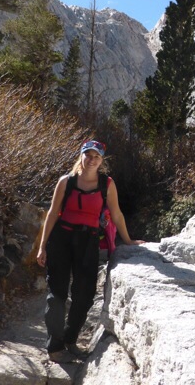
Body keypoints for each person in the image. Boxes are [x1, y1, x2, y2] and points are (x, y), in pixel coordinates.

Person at [37, 140, 143, 364]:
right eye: (88, 155)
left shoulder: (107, 184)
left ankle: (70, 339)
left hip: (88, 241)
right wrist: (42, 246)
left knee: (84, 297)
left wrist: (128, 240)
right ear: (81, 156)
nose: (92, 159)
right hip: (62, 240)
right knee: (57, 296)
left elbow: (116, 214)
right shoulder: (66, 182)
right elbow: (52, 213)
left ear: (102, 160)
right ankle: (55, 347)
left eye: (97, 156)